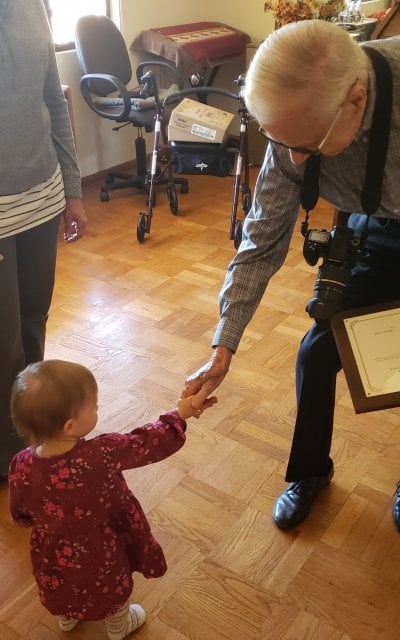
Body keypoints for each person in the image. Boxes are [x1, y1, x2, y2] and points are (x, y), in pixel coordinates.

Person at [182, 20, 400, 531]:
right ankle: (309, 472)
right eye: (281, 142)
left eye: (307, 143)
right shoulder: (297, 125)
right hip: (371, 225)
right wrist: (224, 344)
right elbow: (260, 243)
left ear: (356, 100)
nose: (294, 159)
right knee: (317, 351)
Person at [8, 359, 216, 638]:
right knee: (109, 582)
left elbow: (19, 509)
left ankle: (68, 616)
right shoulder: (101, 453)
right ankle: (119, 625)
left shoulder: (20, 463)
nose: (97, 408)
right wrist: (179, 414)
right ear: (70, 426)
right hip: (100, 544)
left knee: (60, 580)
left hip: (53, 544)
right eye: (93, 406)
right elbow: (146, 443)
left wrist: (34, 521)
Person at [0, 0, 87, 477]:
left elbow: (53, 99)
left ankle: (37, 440)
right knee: (4, 341)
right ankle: (8, 461)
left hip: (42, 197)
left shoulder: (34, 4)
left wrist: (72, 191)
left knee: (33, 323)